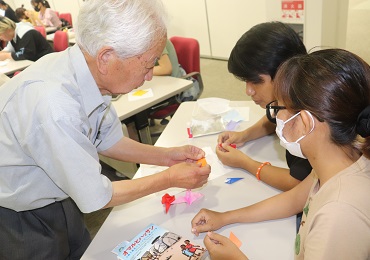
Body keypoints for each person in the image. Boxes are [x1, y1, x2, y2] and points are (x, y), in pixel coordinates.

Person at [0, 0, 211, 259]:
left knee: (82, 252)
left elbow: (108, 140)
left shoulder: (88, 73)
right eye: (148, 64)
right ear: (106, 58)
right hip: (22, 216)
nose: (149, 76)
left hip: (59, 195)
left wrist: (167, 156)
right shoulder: (54, 104)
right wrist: (170, 178)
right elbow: (96, 195)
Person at [191, 49, 370, 259]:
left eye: (279, 107)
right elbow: (294, 199)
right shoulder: (342, 157)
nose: (276, 116)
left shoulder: (338, 216)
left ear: (305, 123)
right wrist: (225, 217)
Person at [216, 22, 312, 192]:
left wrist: (245, 163)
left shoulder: (307, 117)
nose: (248, 90)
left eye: (256, 81)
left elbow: (298, 184)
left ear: (283, 73)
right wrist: (244, 135)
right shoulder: (289, 97)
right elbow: (273, 118)